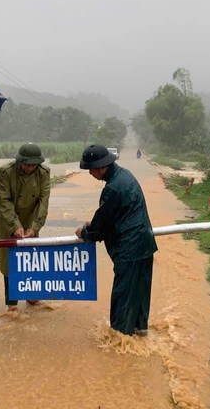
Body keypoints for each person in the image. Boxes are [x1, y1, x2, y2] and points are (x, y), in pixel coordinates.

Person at [75, 144, 157, 336]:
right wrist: (95, 223)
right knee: (140, 294)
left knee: (123, 297)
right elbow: (112, 216)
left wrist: (85, 232)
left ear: (102, 167)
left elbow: (101, 226)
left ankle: (119, 342)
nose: (90, 173)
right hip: (145, 244)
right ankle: (140, 333)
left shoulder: (112, 189)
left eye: (91, 169)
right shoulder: (125, 176)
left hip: (129, 250)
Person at [0, 143, 51, 312]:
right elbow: (3, 201)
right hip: (9, 221)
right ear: (20, 161)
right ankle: (11, 305)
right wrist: (15, 226)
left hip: (31, 220)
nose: (29, 168)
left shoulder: (43, 173)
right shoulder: (6, 172)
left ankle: (32, 298)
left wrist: (35, 226)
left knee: (31, 261)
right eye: (27, 164)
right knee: (9, 263)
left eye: (34, 165)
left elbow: (43, 202)